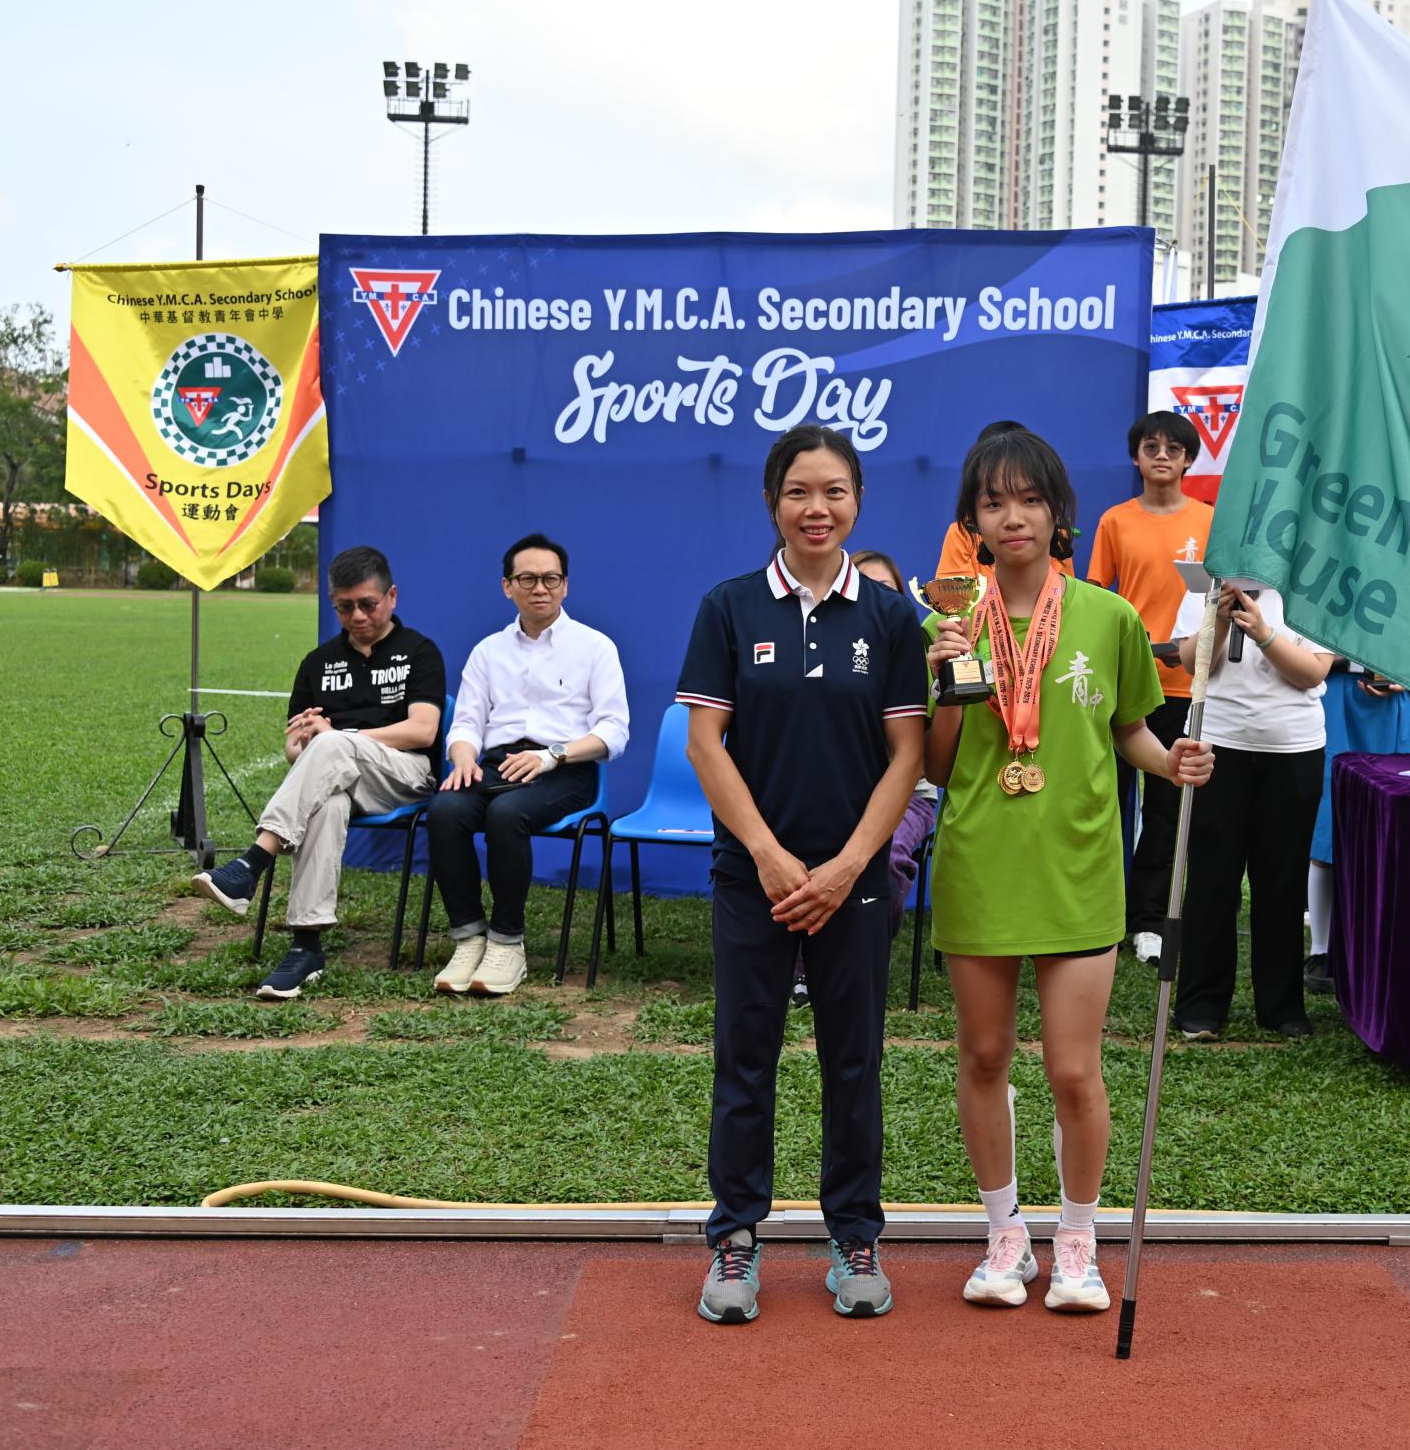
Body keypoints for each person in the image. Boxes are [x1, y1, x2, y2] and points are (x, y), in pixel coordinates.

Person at [923, 427, 1211, 1314]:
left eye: (1029, 500)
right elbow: (938, 764)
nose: (1012, 517)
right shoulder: (948, 622)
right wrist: (944, 675)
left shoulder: (1108, 617)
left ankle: (1078, 1243)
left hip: (1081, 863)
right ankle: (1004, 1234)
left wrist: (1172, 763)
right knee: (983, 1055)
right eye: (993, 503)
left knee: (1074, 1069)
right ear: (972, 521)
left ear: (1058, 513)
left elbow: (1131, 731)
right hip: (980, 861)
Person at [674, 429, 928, 1325]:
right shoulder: (729, 607)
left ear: (858, 499)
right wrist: (772, 857)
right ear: (772, 502)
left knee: (853, 1060)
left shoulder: (891, 619)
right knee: (745, 1056)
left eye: (834, 491)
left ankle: (855, 1234)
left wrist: (849, 865)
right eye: (798, 491)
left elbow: (908, 754)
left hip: (855, 880)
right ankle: (735, 1237)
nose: (816, 509)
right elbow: (705, 743)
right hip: (756, 876)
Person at [193, 545, 444, 1000]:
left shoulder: (419, 652)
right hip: (338, 775)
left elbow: (423, 731)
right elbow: (295, 751)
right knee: (327, 804)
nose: (358, 616)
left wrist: (337, 737)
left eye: (368, 604)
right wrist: (304, 743)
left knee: (332, 746)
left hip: (405, 776)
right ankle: (306, 946)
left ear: (391, 596)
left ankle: (253, 862)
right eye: (345, 607)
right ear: (333, 603)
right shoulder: (318, 662)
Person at [427, 532, 629, 996]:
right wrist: (462, 758)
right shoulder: (488, 651)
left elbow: (614, 732)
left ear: (565, 585)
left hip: (566, 768)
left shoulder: (595, 647)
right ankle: (469, 937)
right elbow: (467, 723)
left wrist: (551, 755)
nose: (540, 588)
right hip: (496, 765)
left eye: (551, 578)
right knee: (444, 810)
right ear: (507, 586)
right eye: (528, 579)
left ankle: (506, 942)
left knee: (507, 814)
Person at [1172, 581, 1333, 1040]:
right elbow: (1192, 664)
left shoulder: (1313, 583)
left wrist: (1264, 633)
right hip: (1216, 742)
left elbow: (1313, 672)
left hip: (1293, 747)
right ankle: (1201, 1004)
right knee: (1211, 876)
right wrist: (1220, 621)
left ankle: (1281, 1006)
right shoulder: (1208, 584)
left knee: (1282, 878)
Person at [1086, 410, 1214, 964]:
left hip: (1184, 685)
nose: (1162, 456)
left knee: (1166, 808)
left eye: (1173, 449)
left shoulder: (1211, 521)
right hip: (1120, 683)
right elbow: (1094, 596)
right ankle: (1101, 913)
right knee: (1105, 803)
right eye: (1151, 447)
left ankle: (1147, 922)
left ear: (1189, 460)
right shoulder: (1115, 521)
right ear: (1135, 457)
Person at [1303, 662, 1410, 995]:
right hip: (1334, 694)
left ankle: (1381, 943)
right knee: (1327, 826)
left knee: (1397, 823)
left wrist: (1407, 675)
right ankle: (1321, 949)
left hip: (1389, 704)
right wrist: (1359, 662)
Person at [851, 549, 940, 928]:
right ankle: (809, 961)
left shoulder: (918, 651)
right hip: (841, 793)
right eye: (865, 587)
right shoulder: (821, 651)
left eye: (886, 589)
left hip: (908, 795)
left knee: (882, 860)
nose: (877, 599)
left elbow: (918, 753)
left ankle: (866, 949)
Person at [931, 420, 1075, 585]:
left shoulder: (1057, 535)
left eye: (1031, 500)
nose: (1014, 520)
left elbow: (1063, 589)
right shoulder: (961, 533)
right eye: (994, 504)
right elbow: (954, 596)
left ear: (1057, 507)